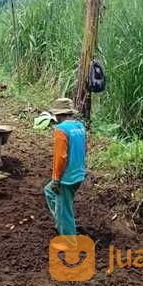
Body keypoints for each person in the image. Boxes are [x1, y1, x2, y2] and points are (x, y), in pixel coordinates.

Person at [44, 98, 87, 236]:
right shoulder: (80, 126)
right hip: (79, 173)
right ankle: (60, 220)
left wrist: (56, 179)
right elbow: (84, 149)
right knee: (48, 191)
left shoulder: (60, 130)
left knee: (65, 211)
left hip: (66, 178)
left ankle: (69, 241)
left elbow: (60, 157)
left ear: (58, 114)